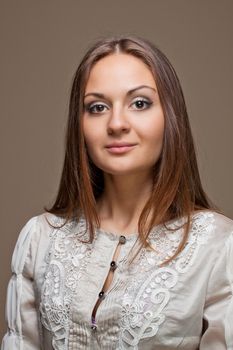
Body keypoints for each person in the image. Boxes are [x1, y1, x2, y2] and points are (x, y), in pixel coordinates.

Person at [1, 36, 233, 350]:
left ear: (170, 116)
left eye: (140, 103)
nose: (117, 123)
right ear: (79, 124)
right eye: (97, 107)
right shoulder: (40, 239)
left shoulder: (217, 244)